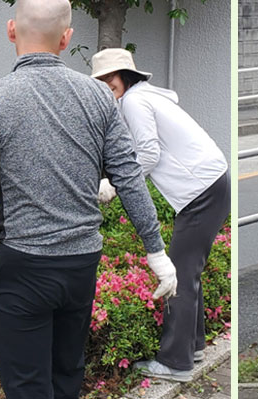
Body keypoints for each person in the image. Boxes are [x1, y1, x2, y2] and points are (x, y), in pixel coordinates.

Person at [0, 0, 177, 398]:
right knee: (66, 378)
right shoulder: (99, 97)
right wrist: (157, 252)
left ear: (11, 31)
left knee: (28, 388)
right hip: (81, 267)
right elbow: (128, 175)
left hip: (24, 269)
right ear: (66, 38)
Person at [90, 48, 230, 382]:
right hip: (210, 184)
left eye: (112, 80)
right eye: (102, 82)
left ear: (126, 76)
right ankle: (192, 347)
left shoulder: (135, 103)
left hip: (201, 191)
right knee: (187, 271)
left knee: (178, 276)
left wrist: (115, 185)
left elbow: (148, 153)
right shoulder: (146, 96)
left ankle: (175, 363)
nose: (108, 87)